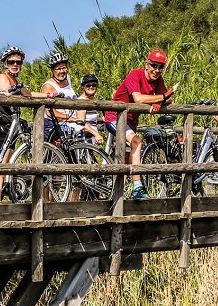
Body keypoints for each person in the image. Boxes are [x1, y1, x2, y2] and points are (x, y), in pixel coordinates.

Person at [103, 49, 177, 199]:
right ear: (147, 64)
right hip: (115, 117)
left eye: (160, 67)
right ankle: (138, 187)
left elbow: (169, 100)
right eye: (154, 66)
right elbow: (138, 99)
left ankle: (116, 196)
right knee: (137, 142)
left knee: (126, 159)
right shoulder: (135, 74)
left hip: (131, 121)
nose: (156, 70)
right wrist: (161, 97)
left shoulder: (158, 80)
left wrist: (159, 100)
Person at [0, 46, 33, 202]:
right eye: (11, 61)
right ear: (5, 63)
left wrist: (49, 95)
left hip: (10, 124)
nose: (15, 64)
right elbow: (3, 91)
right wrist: (8, 93)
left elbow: (30, 95)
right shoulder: (2, 77)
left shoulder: (17, 81)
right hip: (0, 122)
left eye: (18, 62)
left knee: (6, 165)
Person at [40, 51, 80, 140]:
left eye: (64, 68)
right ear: (53, 70)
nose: (62, 71)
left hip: (70, 124)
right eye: (58, 69)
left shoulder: (68, 79)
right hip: (54, 125)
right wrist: (72, 118)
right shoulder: (48, 86)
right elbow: (48, 112)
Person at [75, 74, 104, 145]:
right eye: (88, 85)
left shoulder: (92, 101)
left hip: (90, 138)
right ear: (83, 87)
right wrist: (96, 134)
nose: (91, 87)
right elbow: (81, 123)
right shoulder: (82, 101)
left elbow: (90, 119)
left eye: (94, 85)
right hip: (84, 137)